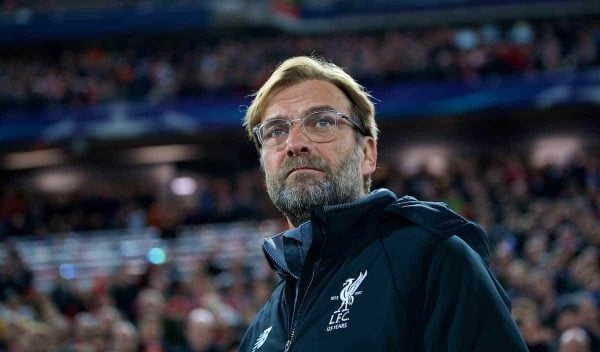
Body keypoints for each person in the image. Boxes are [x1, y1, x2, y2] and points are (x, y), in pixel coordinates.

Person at [238, 56, 528, 351]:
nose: (293, 143)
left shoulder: (430, 257)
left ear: (367, 155)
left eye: (322, 121)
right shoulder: (261, 327)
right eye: (276, 130)